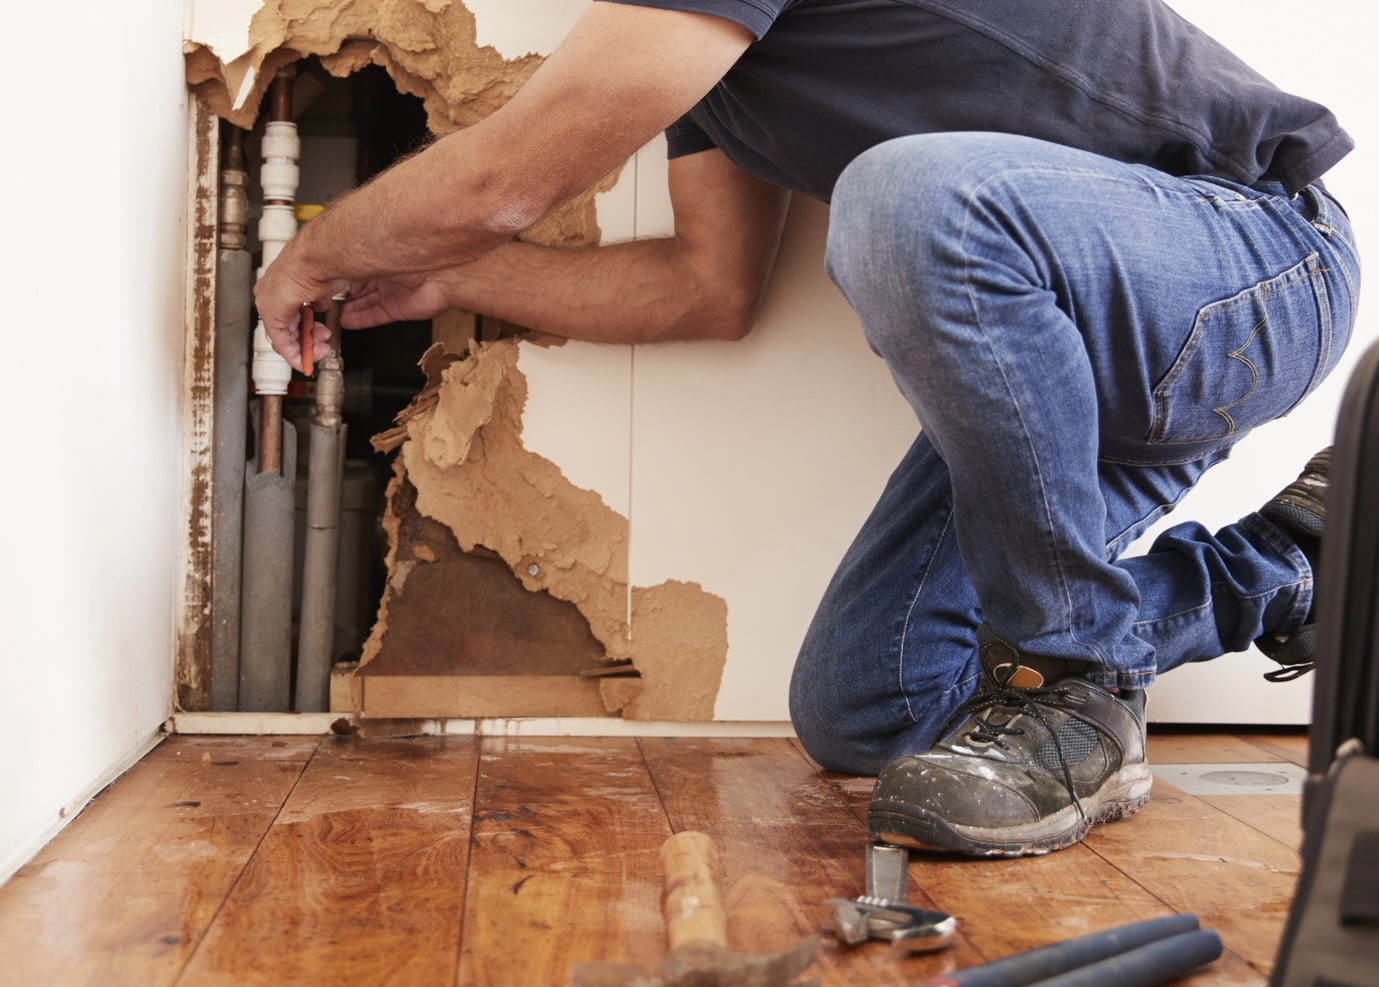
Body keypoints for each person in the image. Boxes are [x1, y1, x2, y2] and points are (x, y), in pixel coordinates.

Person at [255, 0, 1360, 857]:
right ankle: (1295, 564)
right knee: (870, 702)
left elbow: (512, 175)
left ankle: (1071, 687)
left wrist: (322, 249)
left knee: (906, 197)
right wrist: (437, 277)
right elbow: (704, 287)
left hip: (1248, 268)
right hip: (1064, 354)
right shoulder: (707, 56)